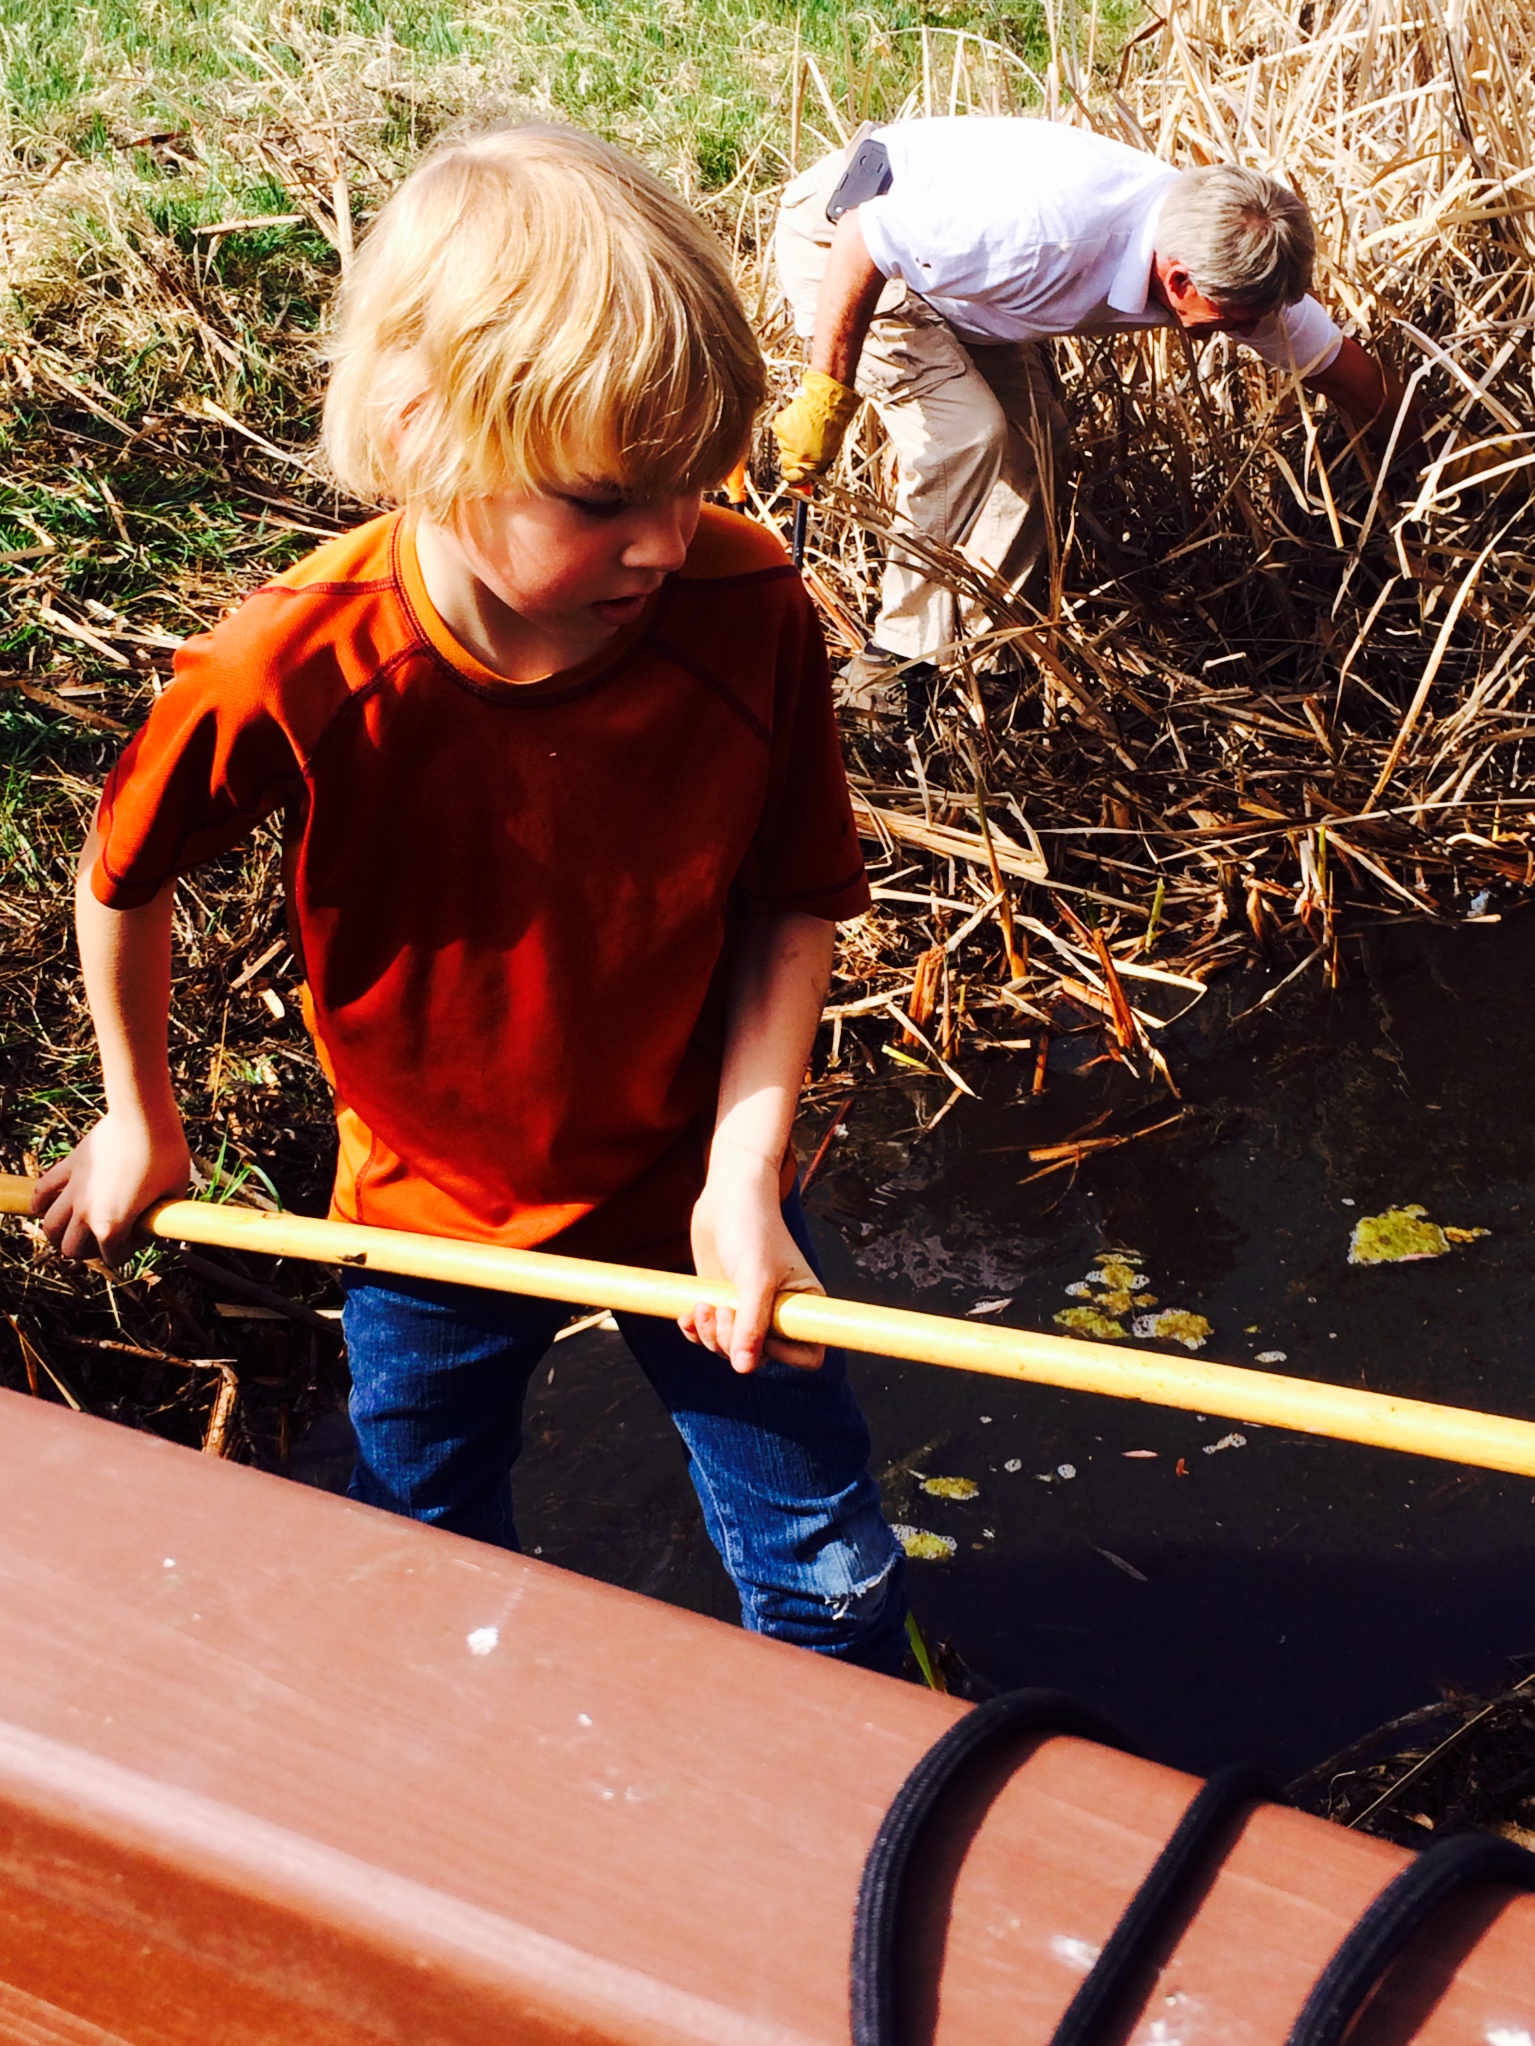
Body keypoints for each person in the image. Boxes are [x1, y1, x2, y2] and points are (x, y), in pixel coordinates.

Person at [31, 123, 909, 1674]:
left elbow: (793, 902)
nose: (660, 538)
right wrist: (134, 1113)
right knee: (421, 1544)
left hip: (689, 1187)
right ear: (431, 430)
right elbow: (124, 873)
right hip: (430, 1209)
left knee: (826, 1561)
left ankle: (849, 1819)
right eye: (599, 498)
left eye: (692, 478)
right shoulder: (294, 662)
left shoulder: (743, 600)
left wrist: (744, 1174)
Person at [773, 117, 1413, 714]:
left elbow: (1346, 372)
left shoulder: (1239, 264)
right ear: (1183, 281)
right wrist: (825, 396)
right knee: (969, 436)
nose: (1241, 336)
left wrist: (1434, 458)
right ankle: (890, 674)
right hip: (841, 238)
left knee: (1038, 442)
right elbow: (865, 235)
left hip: (951, 277)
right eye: (1234, 323)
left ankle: (984, 657)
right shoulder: (1047, 233)